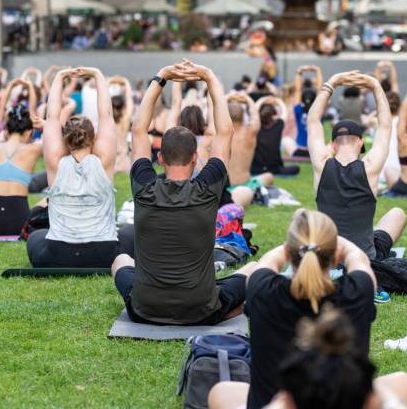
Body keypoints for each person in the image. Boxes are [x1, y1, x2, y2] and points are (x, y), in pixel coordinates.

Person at [112, 60, 258, 325]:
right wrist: (210, 78)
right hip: (202, 308)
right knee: (255, 269)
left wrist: (161, 77)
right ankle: (229, 308)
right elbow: (225, 132)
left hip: (144, 309)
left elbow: (138, 129)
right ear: (194, 158)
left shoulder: (144, 187)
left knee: (121, 260)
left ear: (160, 158)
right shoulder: (208, 188)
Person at [208, 209, 378, 409]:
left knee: (221, 391)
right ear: (335, 256)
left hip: (273, 403)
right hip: (342, 401)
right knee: (400, 381)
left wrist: (298, 243)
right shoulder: (357, 292)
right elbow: (359, 259)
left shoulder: (263, 290)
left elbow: (266, 263)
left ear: (289, 253)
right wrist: (327, 241)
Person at [210, 310, 407, 409]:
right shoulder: (383, 400)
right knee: (401, 380)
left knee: (223, 391)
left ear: (288, 400)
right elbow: (403, 384)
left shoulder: (283, 402)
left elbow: (218, 394)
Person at [308, 71, 406, 261]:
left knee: (302, 216)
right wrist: (375, 85)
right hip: (364, 258)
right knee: (397, 213)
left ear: (333, 145)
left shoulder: (321, 164)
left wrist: (332, 82)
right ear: (361, 142)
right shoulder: (370, 167)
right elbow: (385, 125)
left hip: (330, 257)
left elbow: (313, 120)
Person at [28, 67, 121, 268]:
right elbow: (106, 115)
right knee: (130, 233)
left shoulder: (55, 162)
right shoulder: (104, 160)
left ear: (65, 140)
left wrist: (60, 76)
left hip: (58, 253)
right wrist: (97, 74)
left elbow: (52, 117)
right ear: (93, 138)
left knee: (36, 236)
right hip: (103, 253)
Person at [0, 105, 41, 236]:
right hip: (20, 226)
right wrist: (43, 125)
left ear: (6, 131)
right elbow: (55, 140)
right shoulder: (35, 148)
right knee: (45, 202)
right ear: (29, 131)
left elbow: (1, 135)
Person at [226, 92, 274, 204]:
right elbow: (255, 114)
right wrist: (247, 98)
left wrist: (228, 97)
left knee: (269, 176)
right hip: (246, 185)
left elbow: (214, 107)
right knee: (269, 176)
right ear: (243, 116)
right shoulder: (250, 132)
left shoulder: (219, 133)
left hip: (226, 187)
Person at [251, 97, 300, 177]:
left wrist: (262, 100)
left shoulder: (256, 125)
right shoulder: (278, 125)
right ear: (273, 114)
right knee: (296, 168)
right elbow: (284, 111)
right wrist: (278, 100)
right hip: (274, 169)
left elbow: (254, 110)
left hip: (256, 169)